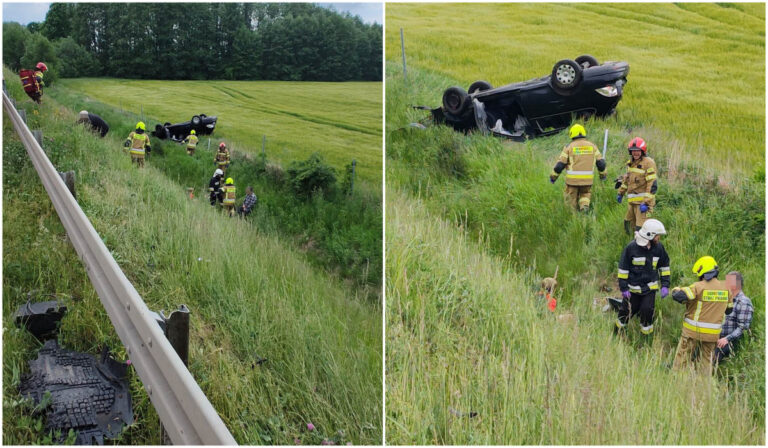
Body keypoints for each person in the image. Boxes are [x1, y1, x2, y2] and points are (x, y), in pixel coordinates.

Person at [670, 256, 734, 374]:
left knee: (682, 359)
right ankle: (703, 387)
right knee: (706, 363)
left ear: (702, 272)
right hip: (712, 335)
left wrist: (676, 289)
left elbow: (678, 296)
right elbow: (729, 310)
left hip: (692, 332)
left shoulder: (698, 286)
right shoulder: (726, 288)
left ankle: (678, 383)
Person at [615, 218, 671, 339]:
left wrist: (665, 285)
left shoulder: (659, 248)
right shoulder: (631, 248)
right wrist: (624, 288)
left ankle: (646, 339)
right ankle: (617, 334)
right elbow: (623, 269)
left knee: (647, 312)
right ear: (649, 235)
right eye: (657, 236)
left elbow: (664, 266)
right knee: (625, 312)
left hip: (649, 289)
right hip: (632, 290)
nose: (658, 238)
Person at [549, 123, 606, 212]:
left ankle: (572, 217)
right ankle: (584, 207)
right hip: (587, 180)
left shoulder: (569, 147)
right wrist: (603, 176)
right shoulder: (593, 146)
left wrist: (553, 177)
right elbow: (601, 164)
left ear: (572, 134)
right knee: (585, 194)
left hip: (573, 181)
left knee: (570, 200)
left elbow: (560, 165)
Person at [616, 137, 658, 234]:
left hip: (643, 204)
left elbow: (652, 185)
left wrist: (646, 203)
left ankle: (643, 246)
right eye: (633, 151)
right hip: (632, 202)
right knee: (628, 224)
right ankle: (631, 244)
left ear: (642, 151)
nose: (635, 153)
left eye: (638, 151)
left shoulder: (648, 163)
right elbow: (627, 180)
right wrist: (620, 193)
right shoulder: (631, 164)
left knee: (641, 229)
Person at [714, 271, 753, 364]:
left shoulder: (743, 302)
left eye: (727, 281)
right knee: (698, 353)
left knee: (711, 358)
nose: (724, 283)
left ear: (734, 285)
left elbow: (742, 328)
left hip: (731, 341)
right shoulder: (725, 298)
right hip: (717, 338)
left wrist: (727, 339)